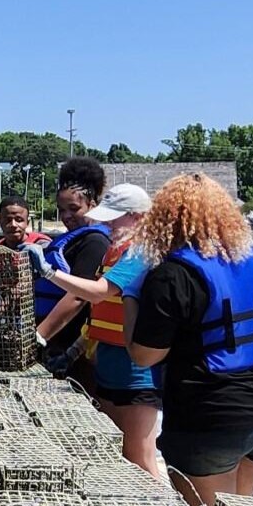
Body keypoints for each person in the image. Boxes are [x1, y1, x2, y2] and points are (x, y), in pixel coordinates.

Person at [120, 172, 253, 506]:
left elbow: (143, 354)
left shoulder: (171, 274)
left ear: (164, 220)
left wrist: (129, 297)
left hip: (209, 416)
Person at [26, 183, 164, 478]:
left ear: (139, 217)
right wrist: (75, 350)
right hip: (107, 363)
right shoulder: (113, 251)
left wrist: (50, 272)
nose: (108, 223)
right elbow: (98, 315)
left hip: (136, 371)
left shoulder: (140, 252)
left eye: (116, 217)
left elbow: (99, 292)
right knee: (115, 449)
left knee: (140, 456)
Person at [29, 157, 114, 379]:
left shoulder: (94, 242)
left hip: (71, 348)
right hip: (53, 344)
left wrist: (38, 337)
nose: (66, 216)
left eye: (74, 208)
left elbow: (78, 297)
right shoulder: (70, 240)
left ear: (93, 205)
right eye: (61, 210)